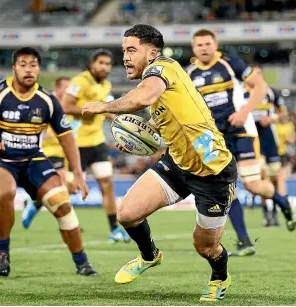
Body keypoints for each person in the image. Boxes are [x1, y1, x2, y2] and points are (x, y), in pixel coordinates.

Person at [82, 24, 237, 302]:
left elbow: (143, 97)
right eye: (124, 51)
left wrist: (102, 106)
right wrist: (138, 134)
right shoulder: (161, 78)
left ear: (152, 52)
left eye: (132, 50)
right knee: (127, 214)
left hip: (212, 171)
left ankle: (219, 276)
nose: (126, 58)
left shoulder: (162, 68)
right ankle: (149, 255)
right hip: (177, 163)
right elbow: (165, 112)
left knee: (205, 247)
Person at [0, 47, 97, 277]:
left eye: (33, 65)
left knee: (61, 203)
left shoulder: (48, 100)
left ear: (39, 69)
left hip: (35, 160)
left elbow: (67, 139)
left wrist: (78, 174)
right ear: (14, 67)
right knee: (5, 193)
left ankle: (82, 262)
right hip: (1, 161)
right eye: (23, 64)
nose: (28, 69)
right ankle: (2, 255)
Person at [187, 29, 295, 256]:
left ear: (215, 44)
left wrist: (245, 111)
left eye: (208, 43)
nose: (204, 48)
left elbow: (260, 86)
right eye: (199, 45)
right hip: (215, 139)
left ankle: (283, 203)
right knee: (228, 192)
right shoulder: (190, 74)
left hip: (242, 133)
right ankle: (246, 242)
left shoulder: (229, 63)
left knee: (253, 185)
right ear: (193, 48)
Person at [61, 49, 130, 243]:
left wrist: (118, 121)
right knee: (70, 188)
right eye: (101, 63)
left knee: (107, 185)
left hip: (97, 142)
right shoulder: (79, 82)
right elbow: (66, 106)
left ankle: (114, 229)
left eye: (108, 64)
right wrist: (93, 111)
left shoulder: (106, 84)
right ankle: (38, 203)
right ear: (92, 63)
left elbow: (105, 108)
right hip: (77, 144)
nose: (105, 67)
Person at [21, 77, 77, 228]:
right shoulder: (46, 103)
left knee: (68, 187)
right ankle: (70, 221)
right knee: (62, 180)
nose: (68, 91)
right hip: (46, 151)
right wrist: (54, 134)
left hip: (63, 153)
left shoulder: (68, 105)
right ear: (57, 88)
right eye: (65, 87)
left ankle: (35, 204)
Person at [248, 75, 287, 226]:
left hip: (271, 141)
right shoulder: (244, 94)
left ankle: (275, 211)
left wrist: (272, 119)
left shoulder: (272, 93)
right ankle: (267, 213)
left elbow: (283, 113)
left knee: (274, 178)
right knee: (262, 177)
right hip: (254, 142)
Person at [276, 113, 296, 199]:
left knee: (281, 177)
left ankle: (283, 197)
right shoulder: (275, 125)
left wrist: (289, 139)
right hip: (274, 153)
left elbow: (293, 139)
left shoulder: (290, 126)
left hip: (284, 154)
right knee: (275, 177)